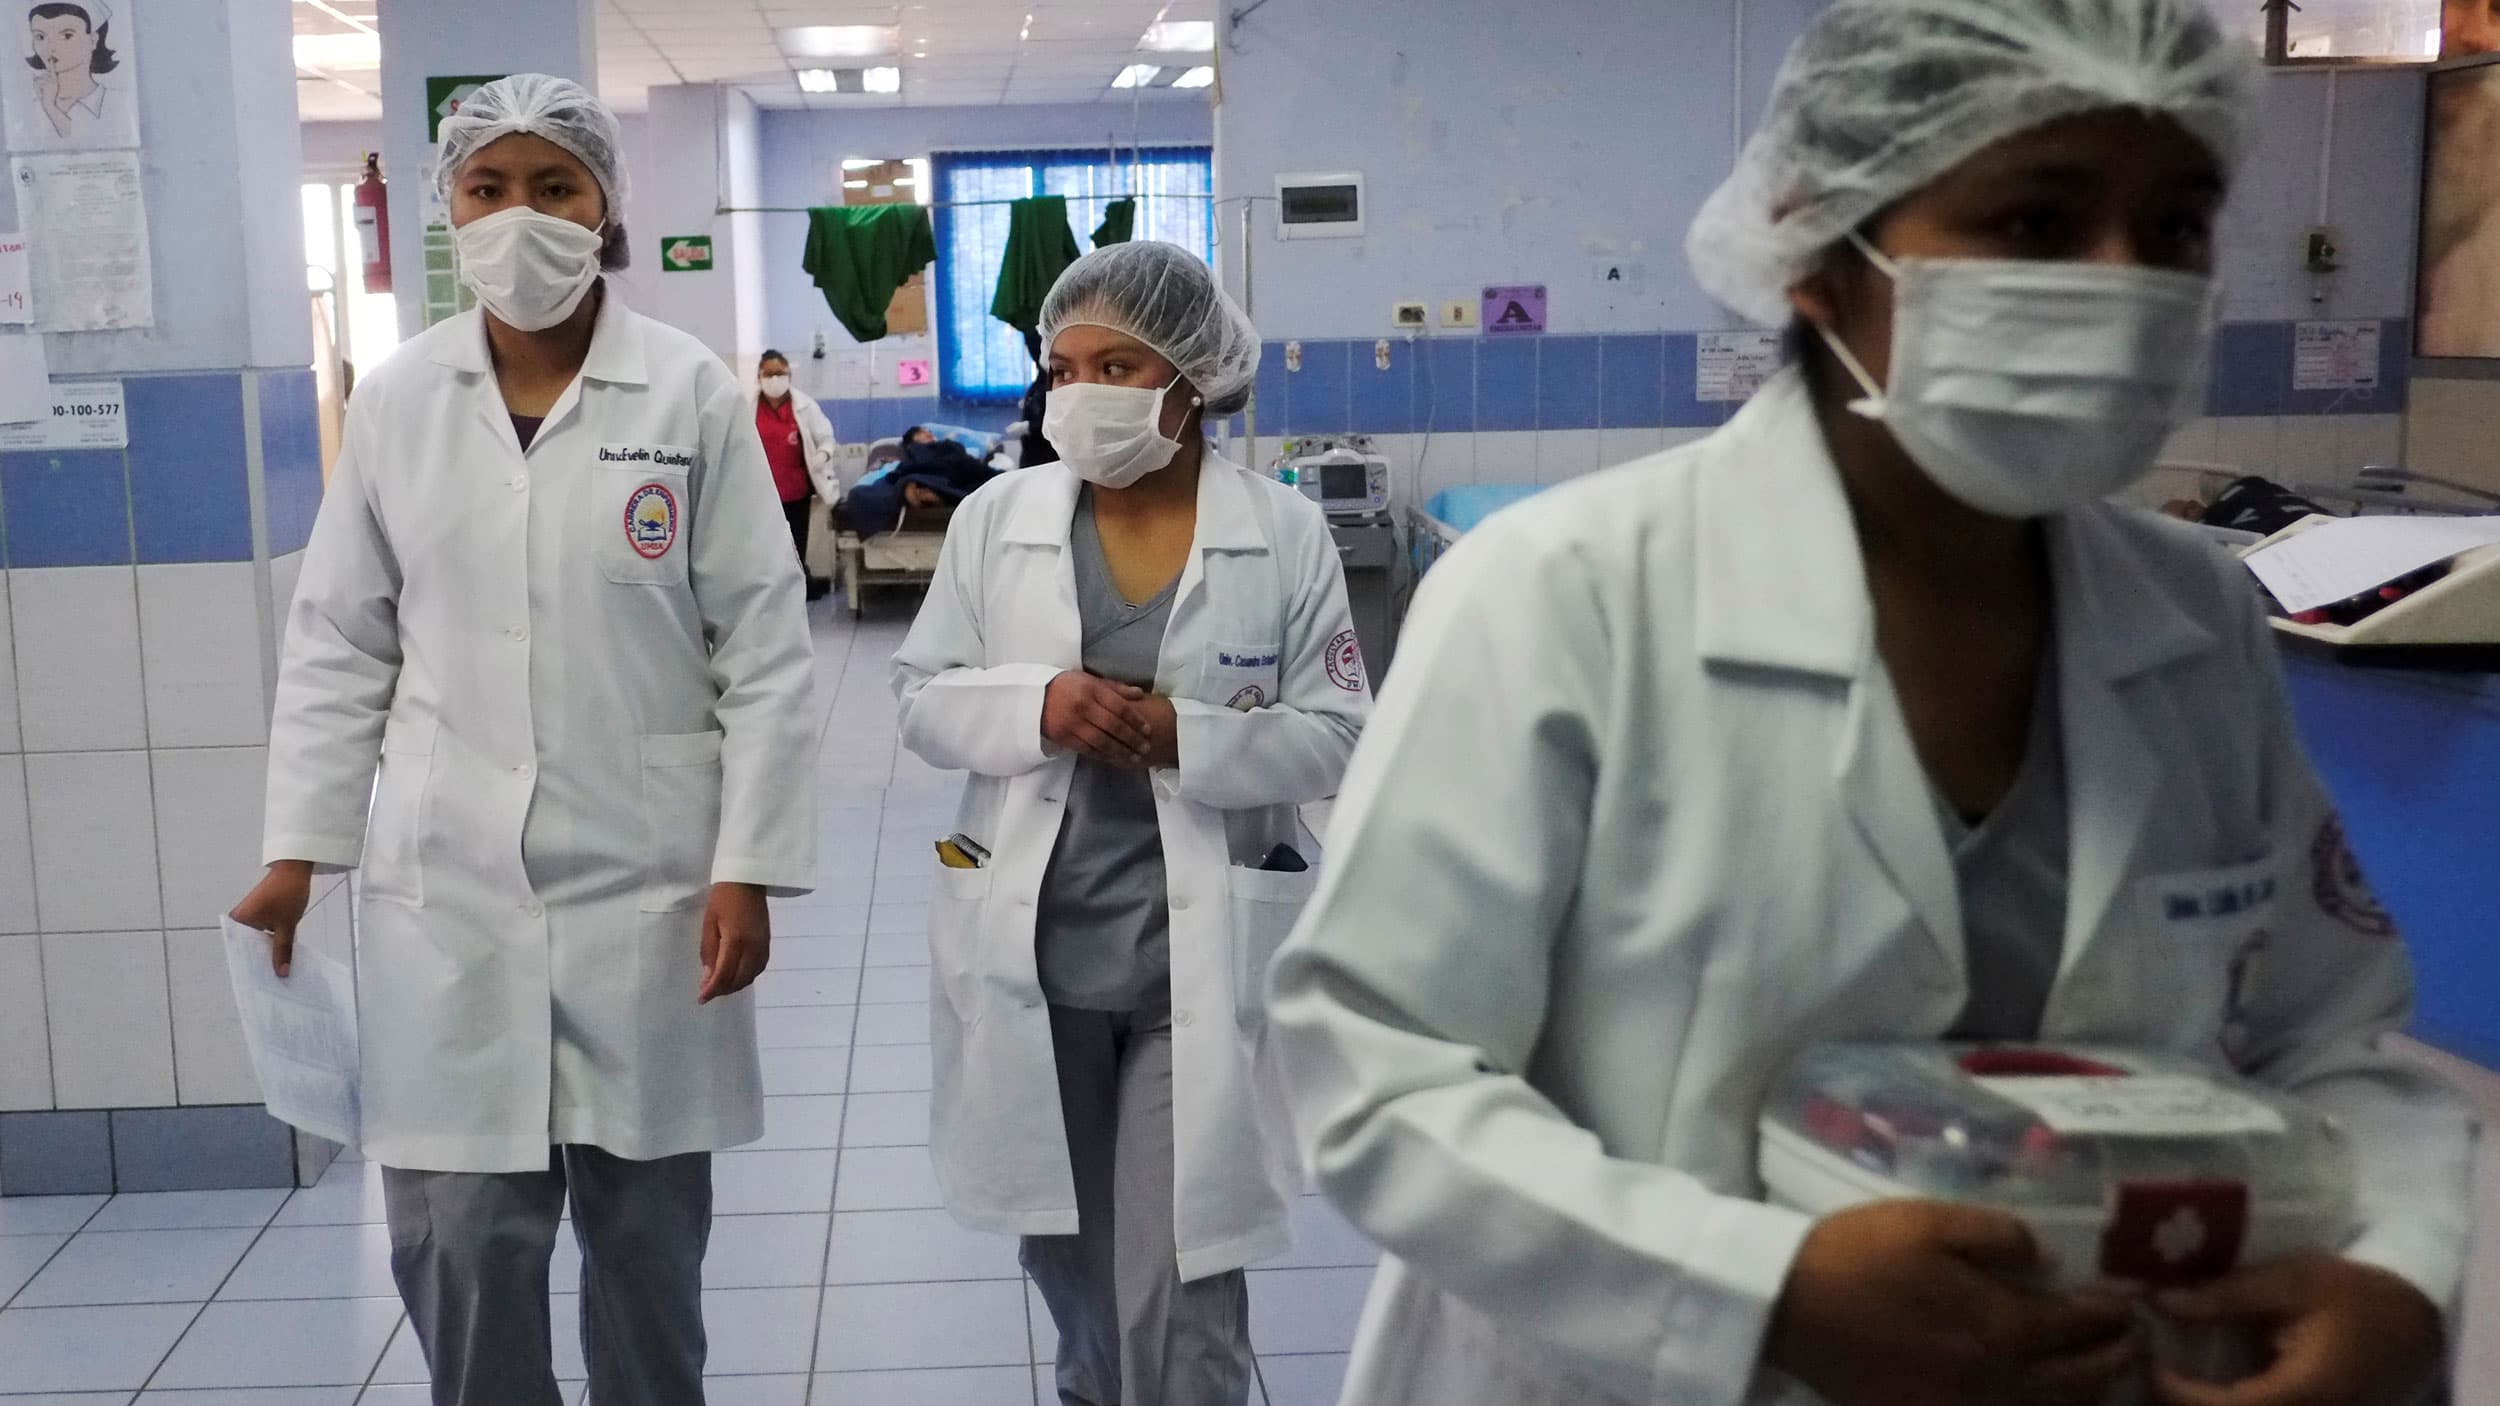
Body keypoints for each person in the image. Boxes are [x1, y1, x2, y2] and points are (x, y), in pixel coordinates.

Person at [1265, 5, 2475, 1406]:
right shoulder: (1563, 596)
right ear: (1817, 252)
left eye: (2177, 228)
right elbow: (1374, 1070)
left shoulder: (2193, 617)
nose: (2123, 283)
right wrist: (1757, 1291)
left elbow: (2329, 1046)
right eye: (2036, 223)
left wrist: (2398, 1272)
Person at [231, 74, 818, 1406]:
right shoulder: (396, 400)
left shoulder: (689, 395)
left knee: (647, 1254)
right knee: (460, 1247)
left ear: (604, 201)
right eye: (488, 187)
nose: (519, 216)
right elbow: (341, 638)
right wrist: (298, 847)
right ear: (447, 206)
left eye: (553, 185)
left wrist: (749, 862)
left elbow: (767, 651)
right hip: (450, 895)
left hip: (650, 882)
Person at [891, 240, 1371, 1406]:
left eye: (1116, 365)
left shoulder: (1281, 531)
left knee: (1181, 1283)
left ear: (1191, 379)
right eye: (1064, 368)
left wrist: (1189, 736)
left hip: (1188, 963)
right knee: (1069, 1267)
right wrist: (1034, 705)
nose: (1082, 394)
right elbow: (921, 700)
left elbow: (1340, 732)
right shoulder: (998, 519)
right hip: (1036, 953)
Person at [755, 348, 837, 599]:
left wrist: (822, 455)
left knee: (796, 543)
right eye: (769, 374)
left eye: (780, 373)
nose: (775, 379)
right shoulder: (749, 406)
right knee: (769, 545)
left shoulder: (804, 405)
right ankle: (774, 592)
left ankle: (798, 590)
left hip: (796, 489)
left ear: (789, 374)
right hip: (762, 493)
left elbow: (826, 437)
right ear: (759, 376)